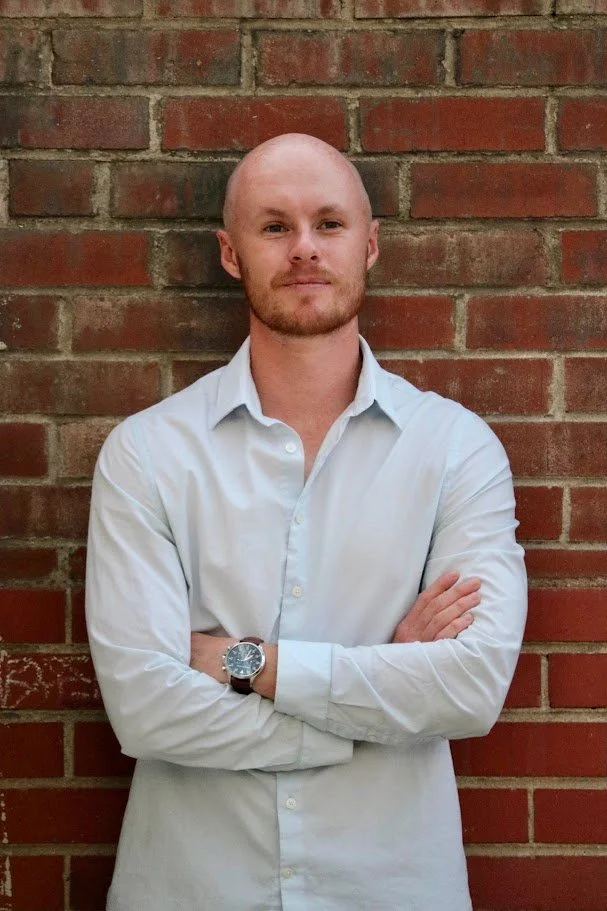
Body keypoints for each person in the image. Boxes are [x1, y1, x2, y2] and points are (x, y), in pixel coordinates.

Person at [86, 133, 527, 911]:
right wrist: (375, 706)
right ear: (230, 253)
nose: (303, 249)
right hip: (194, 887)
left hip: (391, 888)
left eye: (328, 223)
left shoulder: (454, 448)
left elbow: (468, 689)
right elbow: (146, 709)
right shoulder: (149, 452)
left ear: (371, 244)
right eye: (273, 226)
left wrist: (238, 662)